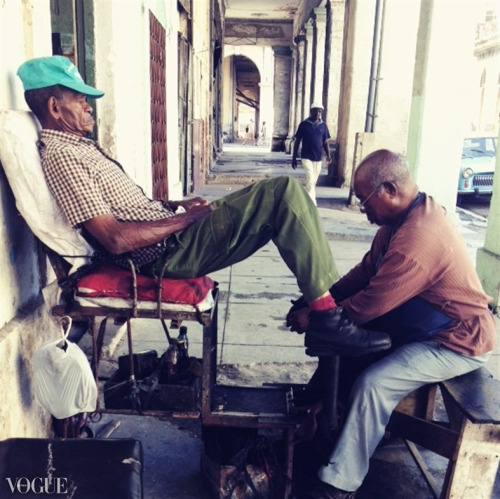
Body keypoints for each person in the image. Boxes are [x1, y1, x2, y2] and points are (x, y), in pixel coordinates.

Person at [16, 55, 392, 357]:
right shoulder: (63, 155)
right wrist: (183, 221)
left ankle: (320, 302)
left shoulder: (79, 147)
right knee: (283, 195)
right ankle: (327, 317)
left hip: (174, 234)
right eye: (79, 99)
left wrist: (174, 205)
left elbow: (124, 207)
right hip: (165, 253)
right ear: (54, 106)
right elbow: (113, 238)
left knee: (277, 193)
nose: (89, 106)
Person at [286, 149, 496, 498]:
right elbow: (365, 273)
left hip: (457, 340)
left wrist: (315, 317)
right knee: (352, 357)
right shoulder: (398, 222)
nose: (361, 209)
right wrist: (321, 298)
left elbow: (369, 305)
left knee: (374, 383)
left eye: (364, 200)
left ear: (389, 190)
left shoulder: (420, 238)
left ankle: (339, 482)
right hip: (427, 328)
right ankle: (325, 424)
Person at [292, 102, 332, 205]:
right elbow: (297, 141)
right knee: (310, 179)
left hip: (318, 158)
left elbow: (326, 142)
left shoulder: (323, 126)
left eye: (320, 111)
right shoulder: (304, 124)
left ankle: (306, 198)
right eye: (316, 111)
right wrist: (294, 157)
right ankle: (311, 203)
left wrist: (328, 155)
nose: (318, 113)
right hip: (306, 157)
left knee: (313, 181)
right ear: (311, 112)